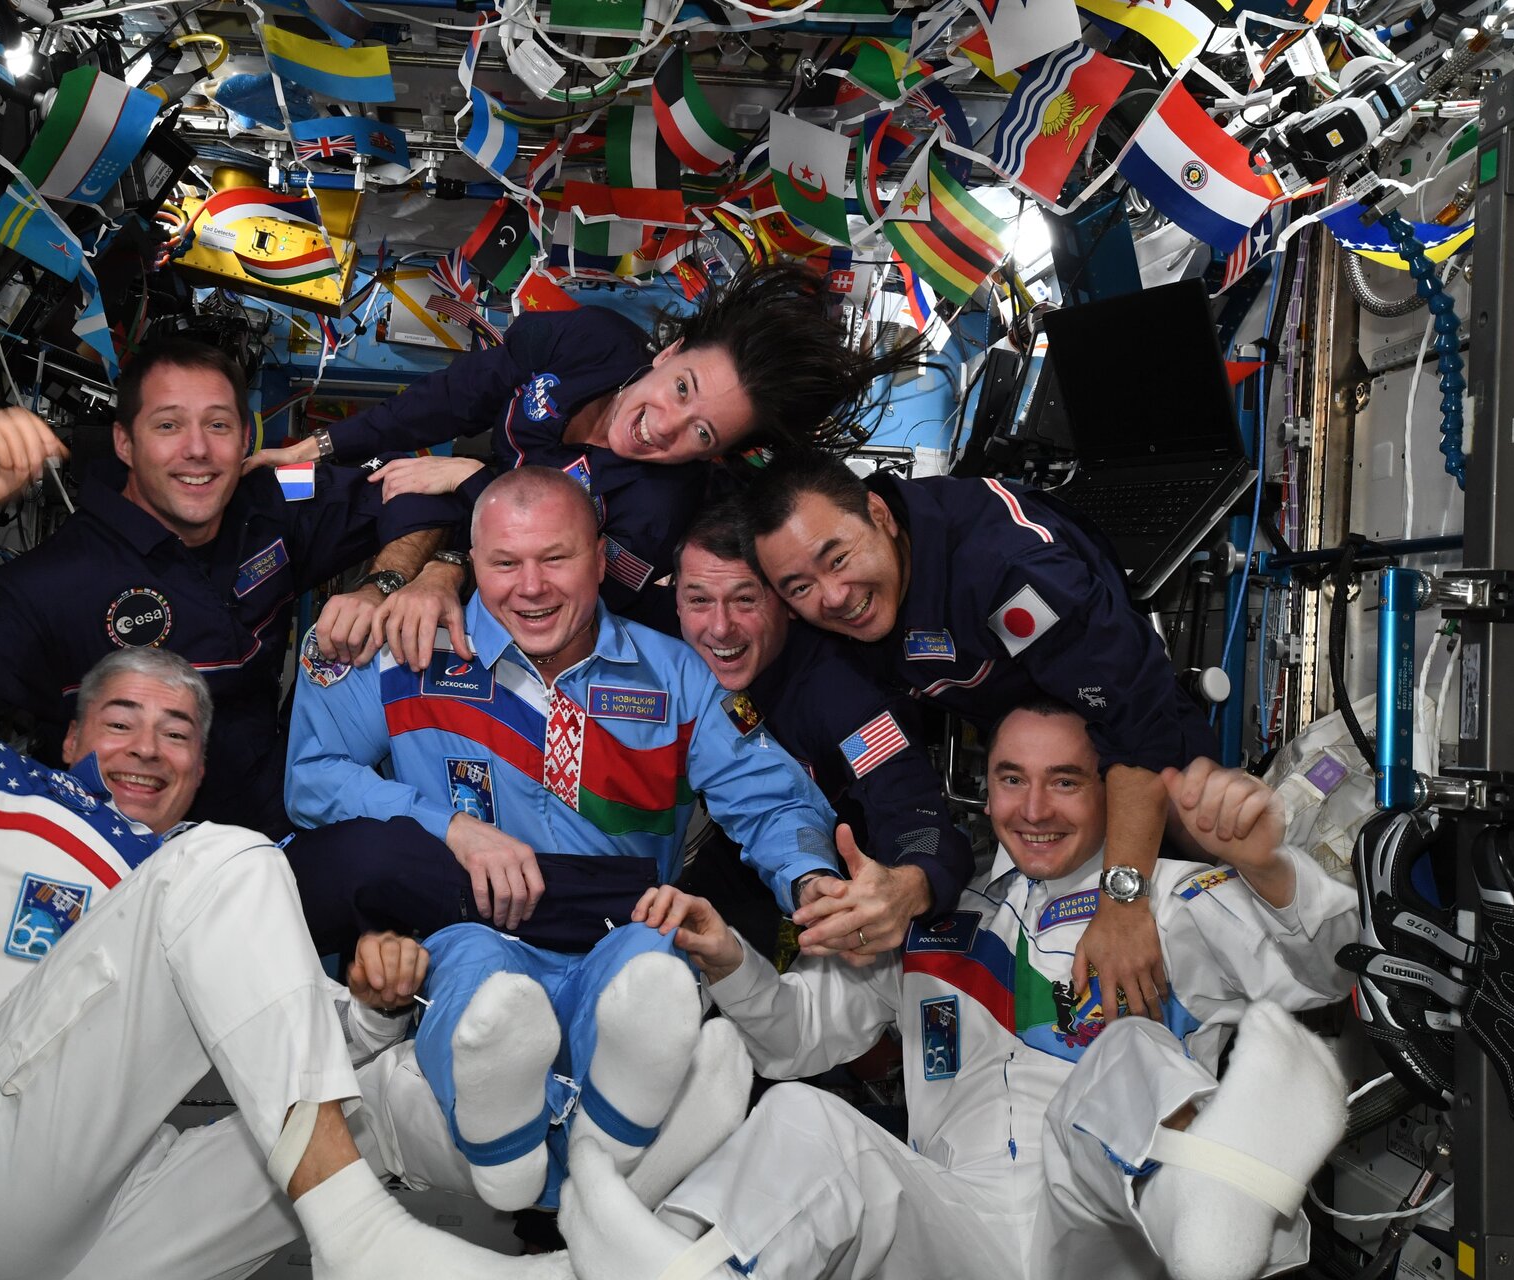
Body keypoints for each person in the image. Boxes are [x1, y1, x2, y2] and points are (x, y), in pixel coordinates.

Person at [0, 405, 565, 1280]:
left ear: (200, 765)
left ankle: (563, 1180)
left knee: (374, 1097)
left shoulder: (201, 891)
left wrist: (375, 1012)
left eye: (178, 733)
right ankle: (362, 1233)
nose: (148, 746)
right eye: (120, 721)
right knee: (238, 858)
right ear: (71, 740)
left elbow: (281, 1042)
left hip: (128, 1223)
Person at [558, 699, 1355, 1280]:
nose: (1033, 810)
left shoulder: (1166, 899)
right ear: (987, 785)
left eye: (1066, 782)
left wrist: (1265, 867)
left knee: (1130, 1048)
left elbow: (1329, 963)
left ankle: (1208, 1205)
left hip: (1113, 1234)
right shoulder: (933, 900)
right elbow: (797, 1041)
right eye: (1013, 780)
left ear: (1110, 792)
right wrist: (728, 955)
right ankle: (691, 1267)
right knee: (806, 1116)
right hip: (954, 1223)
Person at [282, 466, 843, 1213]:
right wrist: (448, 825)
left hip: (616, 937)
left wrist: (809, 879)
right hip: (470, 937)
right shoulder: (406, 649)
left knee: (657, 977)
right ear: (470, 563)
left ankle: (589, 1159)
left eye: (557, 558)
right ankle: (540, 1166)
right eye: (505, 563)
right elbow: (311, 778)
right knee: (485, 998)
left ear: (602, 557)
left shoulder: (674, 675)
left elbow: (768, 798)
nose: (531, 587)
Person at [0, 338, 452, 835]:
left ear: (246, 439)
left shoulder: (275, 495)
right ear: (124, 444)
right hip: (126, 869)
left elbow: (415, 496)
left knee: (402, 867)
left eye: (217, 426)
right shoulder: (55, 587)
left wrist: (400, 580)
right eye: (168, 427)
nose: (198, 451)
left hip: (280, 827)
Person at [746, 451, 1221, 1020]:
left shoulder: (1006, 568)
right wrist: (909, 875)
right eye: (799, 587)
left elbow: (1138, 722)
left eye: (839, 557)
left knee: (1211, 852)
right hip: (1025, 757)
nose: (833, 596)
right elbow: (894, 782)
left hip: (1135, 738)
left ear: (879, 512)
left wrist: (1123, 902)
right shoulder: (836, 632)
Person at [249, 262, 915, 666]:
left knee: (422, 511)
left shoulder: (656, 506)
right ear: (669, 352)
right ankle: (246, 528)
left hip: (500, 564)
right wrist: (320, 445)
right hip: (455, 496)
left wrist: (471, 486)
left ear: (714, 453)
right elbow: (460, 393)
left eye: (700, 431)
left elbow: (560, 568)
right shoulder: (595, 340)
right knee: (322, 485)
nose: (663, 424)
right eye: (680, 389)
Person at [670, 500, 974, 959]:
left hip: (830, 880)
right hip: (731, 844)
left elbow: (917, 819)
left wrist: (907, 887)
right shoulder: (655, 646)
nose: (719, 628)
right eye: (698, 600)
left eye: (746, 599)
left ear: (790, 605)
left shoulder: (846, 701)